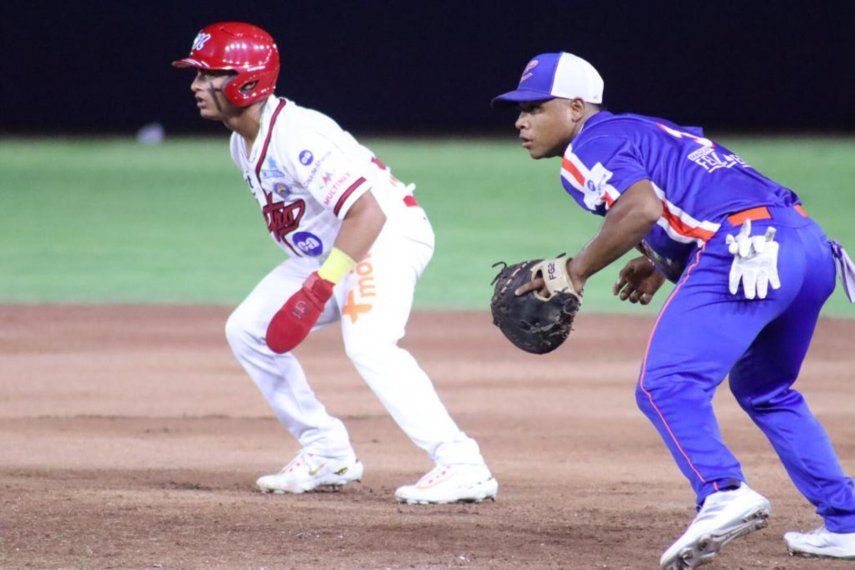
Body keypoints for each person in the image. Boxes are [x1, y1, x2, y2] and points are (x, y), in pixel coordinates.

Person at [492, 52, 855, 567]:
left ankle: (722, 492)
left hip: (745, 247)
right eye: (519, 110)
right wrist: (663, 263)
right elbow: (695, 195)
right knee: (767, 390)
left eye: (534, 107)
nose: (521, 121)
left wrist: (575, 271)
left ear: (576, 108)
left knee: (665, 383)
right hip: (808, 247)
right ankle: (847, 522)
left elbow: (640, 208)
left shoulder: (589, 146)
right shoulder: (650, 129)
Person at [172, 22, 498, 504]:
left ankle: (462, 464)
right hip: (337, 248)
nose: (197, 85)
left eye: (209, 74)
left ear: (246, 79)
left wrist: (322, 285)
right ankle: (326, 451)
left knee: (370, 343)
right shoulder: (241, 141)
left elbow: (368, 211)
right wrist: (321, 277)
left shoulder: (296, 135)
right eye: (196, 75)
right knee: (247, 329)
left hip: (383, 236)